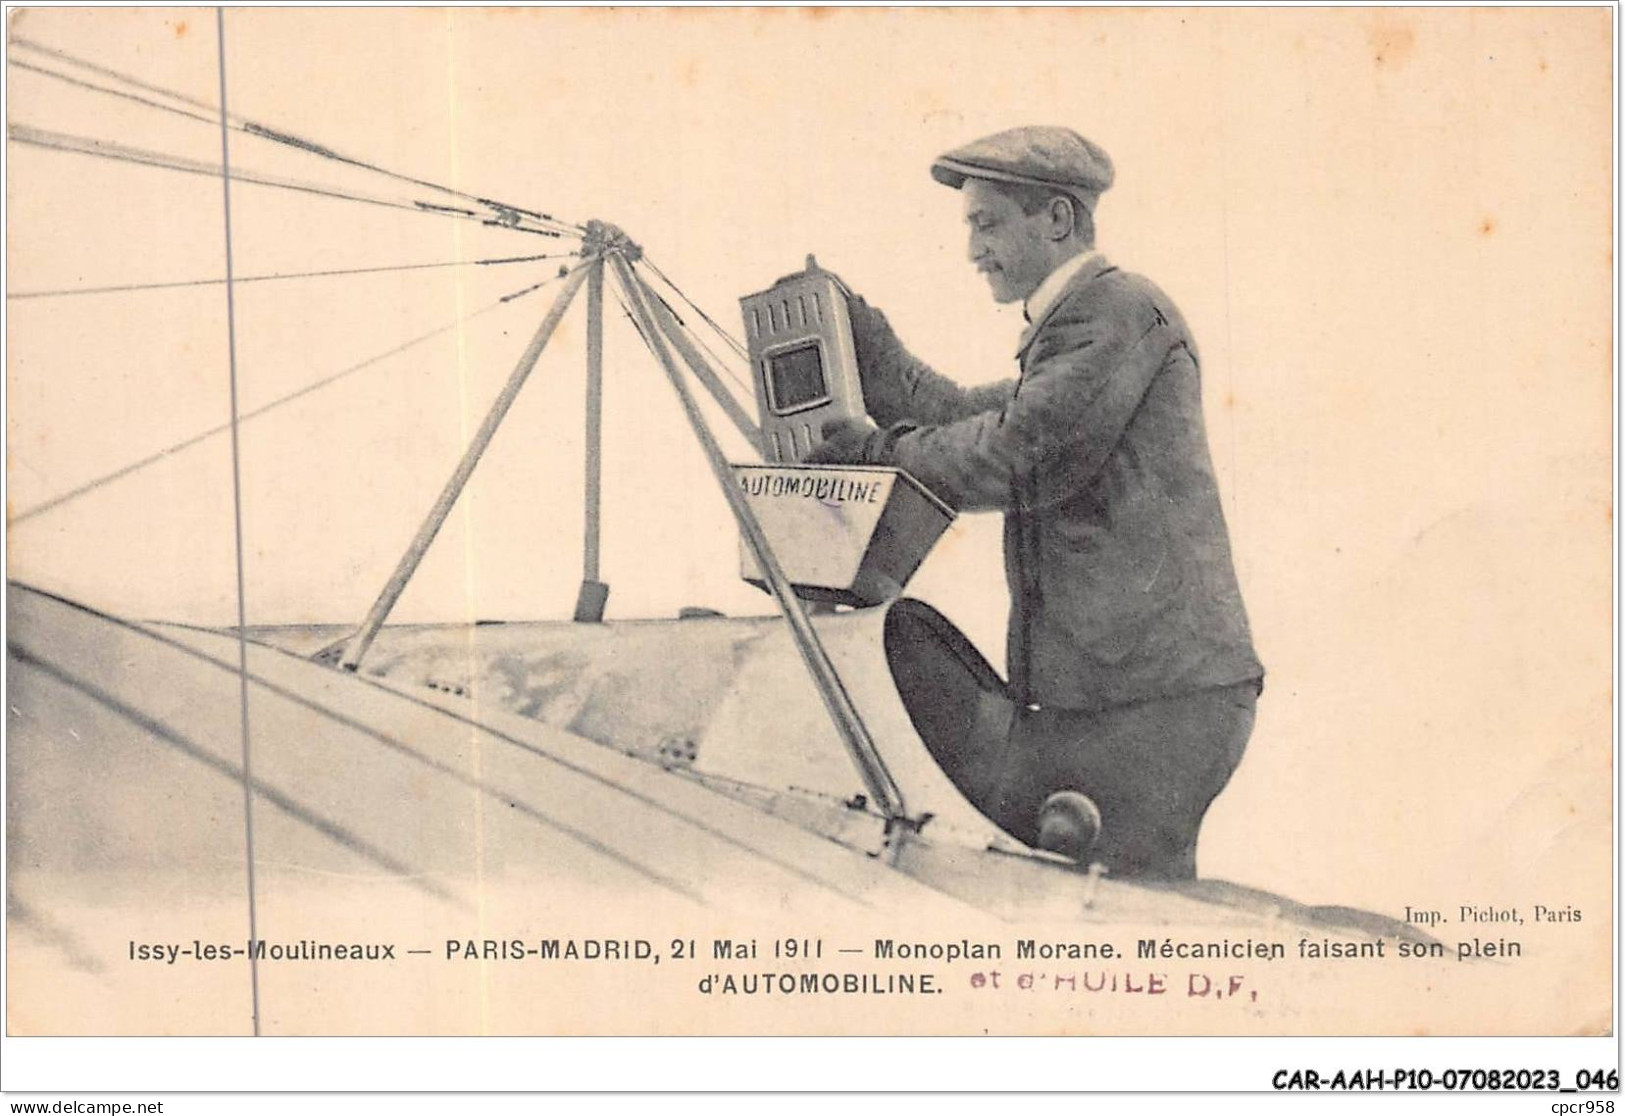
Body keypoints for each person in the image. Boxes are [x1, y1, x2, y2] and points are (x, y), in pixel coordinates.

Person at [806, 126, 1264, 879]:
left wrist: (870, 451)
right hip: (1128, 695)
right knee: (1110, 903)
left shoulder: (1114, 311)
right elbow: (957, 411)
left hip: (1151, 703)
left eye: (985, 224)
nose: (972, 250)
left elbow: (1019, 456)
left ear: (1055, 220)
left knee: (1118, 913)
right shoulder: (1080, 329)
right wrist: (866, 338)